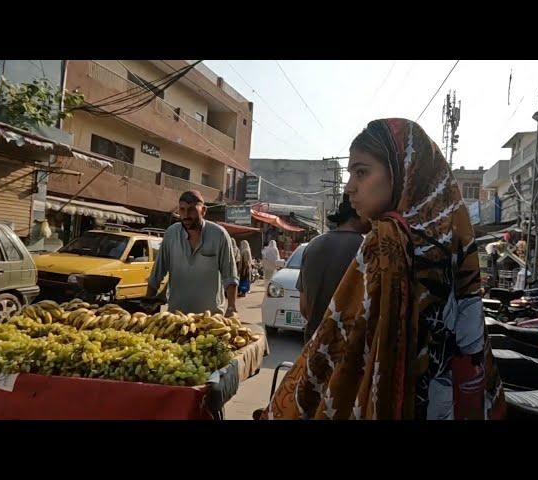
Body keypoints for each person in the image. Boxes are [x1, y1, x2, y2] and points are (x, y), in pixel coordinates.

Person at [262, 118, 505, 420]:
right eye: (350, 174)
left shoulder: (387, 239)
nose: (350, 188)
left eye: (361, 172)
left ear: (403, 173)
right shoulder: (450, 236)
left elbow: (337, 345)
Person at [147, 190, 238, 317]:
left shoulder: (219, 235)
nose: (185, 215)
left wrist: (232, 307)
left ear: (203, 210)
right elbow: (157, 274)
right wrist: (148, 302)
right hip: (176, 316)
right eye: (182, 210)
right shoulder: (171, 234)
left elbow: (230, 276)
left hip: (210, 318)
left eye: (191, 210)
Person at [296, 194, 370, 344]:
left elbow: (304, 307)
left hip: (313, 343)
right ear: (360, 213)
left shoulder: (313, 245)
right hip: (348, 349)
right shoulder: (366, 248)